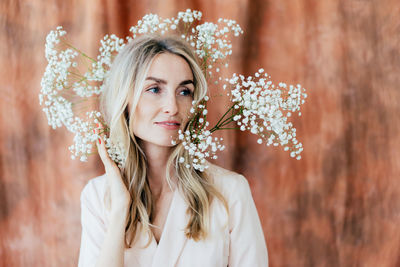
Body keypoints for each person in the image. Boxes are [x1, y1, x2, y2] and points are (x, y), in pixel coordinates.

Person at [77, 34, 269, 267]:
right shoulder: (99, 197)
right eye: (155, 89)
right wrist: (119, 209)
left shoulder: (230, 192)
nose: (172, 107)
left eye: (184, 92)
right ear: (124, 99)